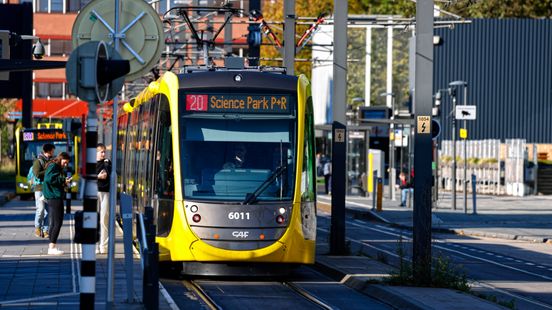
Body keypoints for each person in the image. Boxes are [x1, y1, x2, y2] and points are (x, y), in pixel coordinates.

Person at [43, 152, 71, 255]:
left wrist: (63, 182)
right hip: (54, 197)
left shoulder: (54, 166)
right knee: (57, 222)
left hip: (53, 196)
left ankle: (52, 246)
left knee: (54, 222)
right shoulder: (54, 166)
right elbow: (49, 179)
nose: (65, 164)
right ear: (61, 158)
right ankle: (52, 247)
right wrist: (63, 180)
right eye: (65, 162)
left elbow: (51, 179)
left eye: (67, 163)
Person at [32, 143, 55, 238]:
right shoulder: (38, 161)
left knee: (49, 211)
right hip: (39, 188)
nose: (53, 153)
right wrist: (49, 170)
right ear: (48, 151)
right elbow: (37, 174)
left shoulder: (53, 161)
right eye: (52, 151)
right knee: (41, 209)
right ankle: (37, 227)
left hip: (49, 189)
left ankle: (45, 230)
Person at [96, 143, 111, 254]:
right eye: (101, 151)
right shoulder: (92, 164)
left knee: (104, 220)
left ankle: (103, 246)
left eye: (104, 151)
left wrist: (105, 171)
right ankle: (95, 245)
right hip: (95, 193)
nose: (103, 154)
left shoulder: (107, 163)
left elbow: (108, 173)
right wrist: (98, 177)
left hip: (105, 192)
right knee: (94, 220)